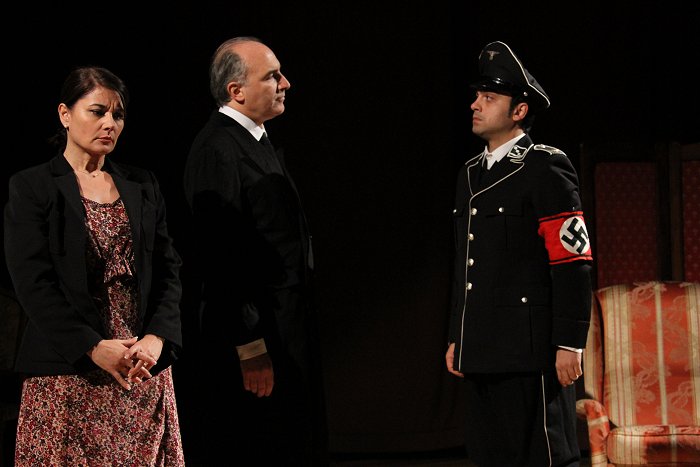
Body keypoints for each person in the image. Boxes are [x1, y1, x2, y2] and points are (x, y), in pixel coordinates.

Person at [3, 66, 185, 466]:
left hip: (139, 366)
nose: (109, 124)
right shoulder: (33, 186)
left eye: (117, 115)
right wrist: (91, 347)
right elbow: (32, 283)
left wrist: (157, 337)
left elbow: (168, 270)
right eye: (98, 112)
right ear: (65, 114)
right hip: (68, 367)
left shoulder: (142, 184)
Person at [445, 41, 593, 467]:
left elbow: (572, 262)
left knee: (545, 458)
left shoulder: (545, 166)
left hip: (530, 352)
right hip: (481, 348)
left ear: (519, 111)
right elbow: (466, 265)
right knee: (489, 455)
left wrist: (569, 343)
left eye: (489, 97)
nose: (475, 104)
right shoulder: (469, 174)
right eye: (477, 95)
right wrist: (458, 335)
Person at [181, 36, 328, 466]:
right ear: (237, 91)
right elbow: (219, 259)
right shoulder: (218, 149)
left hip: (285, 332)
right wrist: (250, 347)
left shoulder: (255, 140)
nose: (286, 83)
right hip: (256, 337)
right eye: (272, 76)